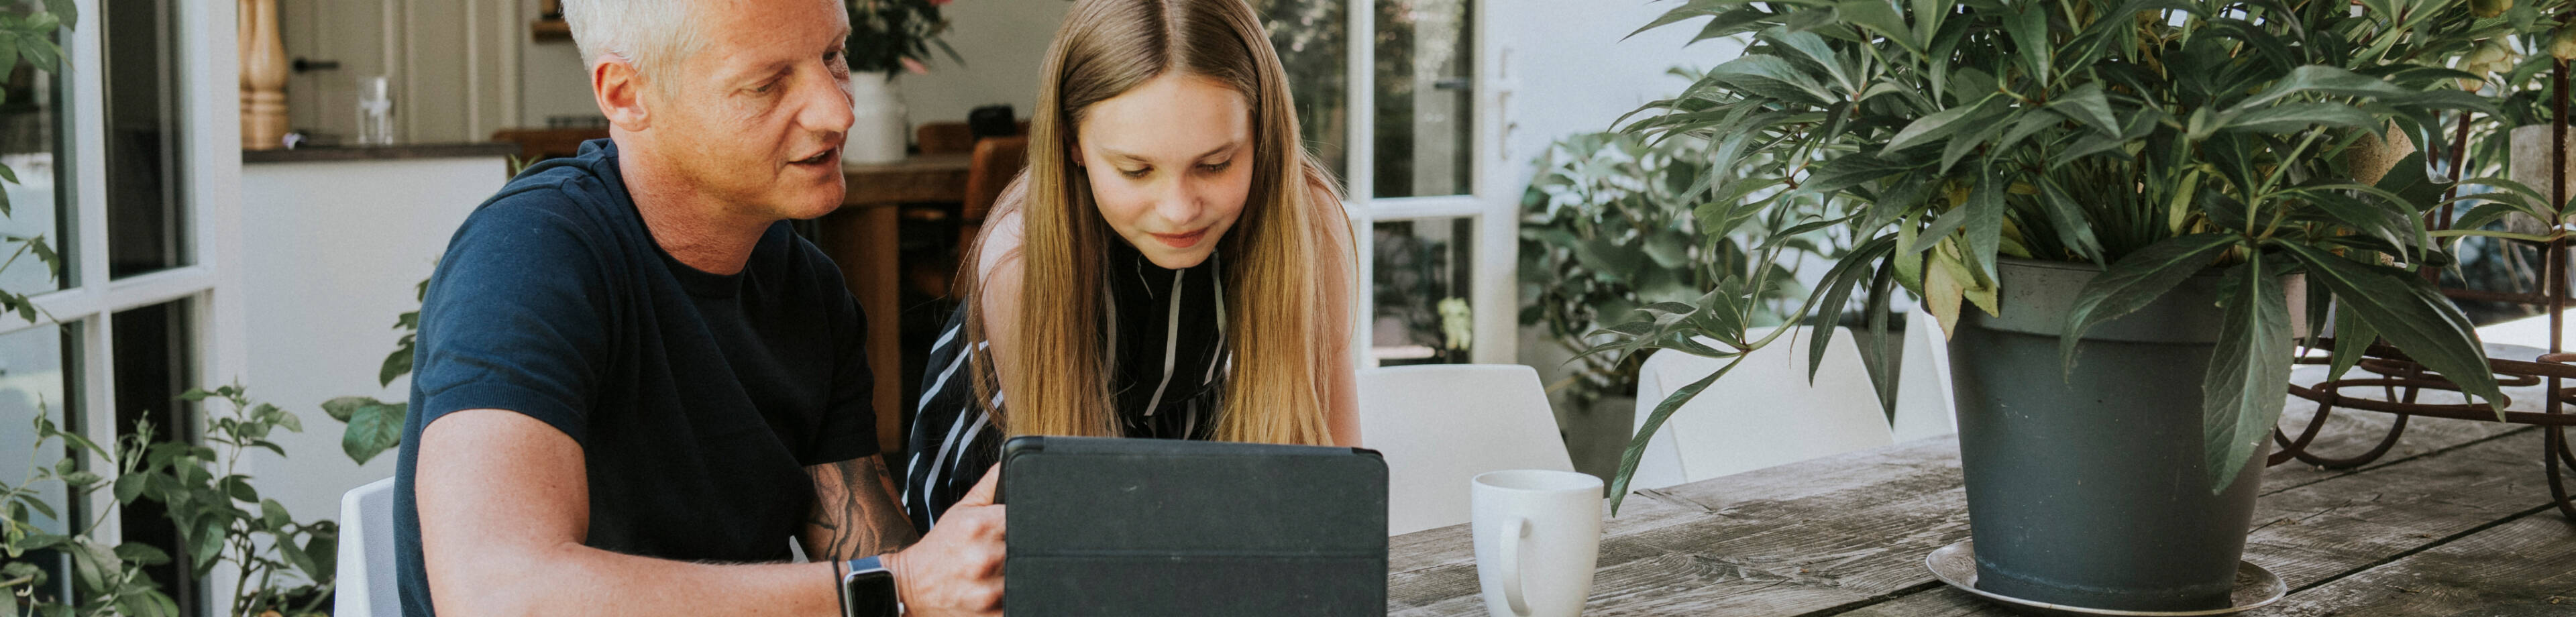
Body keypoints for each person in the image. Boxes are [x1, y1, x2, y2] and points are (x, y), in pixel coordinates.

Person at [394, 0, 1001, 614]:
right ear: (627, 94)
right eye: (765, 85)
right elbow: (496, 595)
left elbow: (885, 563)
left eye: (833, 56)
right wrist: (901, 584)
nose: (837, 111)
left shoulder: (807, 286)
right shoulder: (531, 255)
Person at [902, 0, 1361, 530]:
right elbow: (1075, 526)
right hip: (1010, 509)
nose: (1179, 210)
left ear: (1263, 135)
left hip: (1178, 473)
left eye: (1215, 165)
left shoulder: (1308, 221)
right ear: (1073, 145)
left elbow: (1334, 483)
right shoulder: (1018, 257)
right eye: (1136, 171)